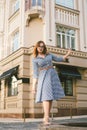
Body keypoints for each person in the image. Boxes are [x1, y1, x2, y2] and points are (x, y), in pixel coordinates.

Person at [32, 41, 71, 125]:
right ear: (36, 48)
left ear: (44, 47)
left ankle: (47, 116)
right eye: (39, 46)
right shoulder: (35, 59)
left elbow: (58, 58)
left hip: (52, 76)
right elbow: (35, 74)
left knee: (50, 98)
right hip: (43, 77)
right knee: (46, 97)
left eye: (42, 46)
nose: (41, 48)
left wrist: (68, 54)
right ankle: (46, 117)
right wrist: (33, 87)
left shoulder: (49, 55)